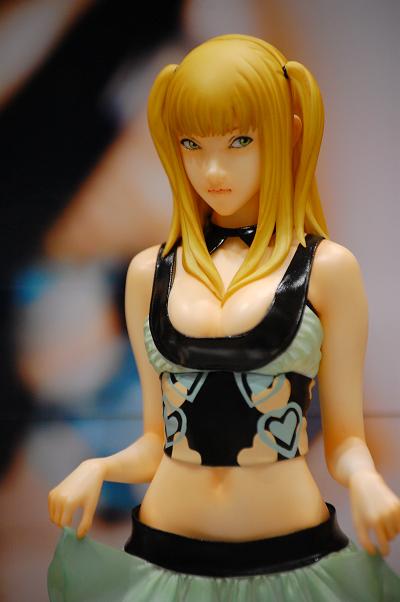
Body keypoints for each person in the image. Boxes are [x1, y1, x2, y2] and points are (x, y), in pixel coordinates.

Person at [48, 34, 400, 601]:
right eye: (192, 144)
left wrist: (367, 483)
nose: (212, 169)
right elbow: (155, 442)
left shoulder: (328, 271)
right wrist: (99, 467)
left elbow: (345, 442)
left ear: (288, 132)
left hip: (291, 556)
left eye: (239, 141)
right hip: (162, 554)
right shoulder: (148, 273)